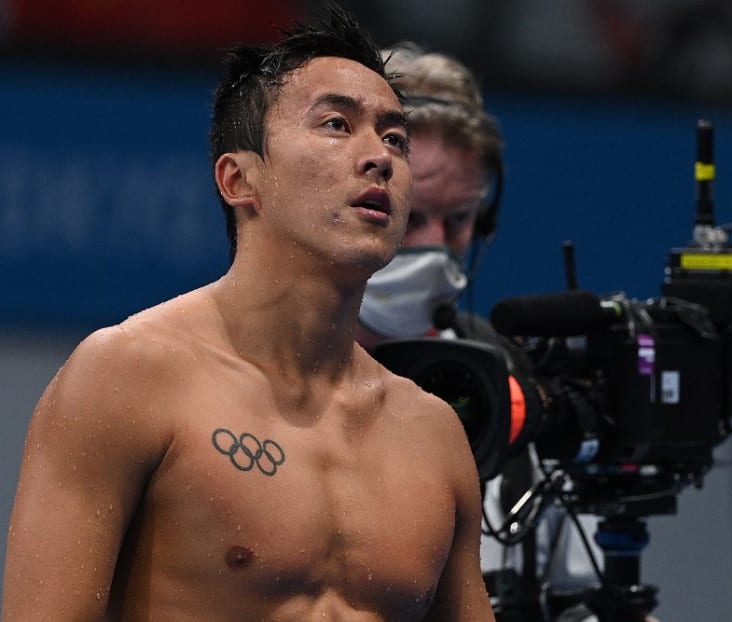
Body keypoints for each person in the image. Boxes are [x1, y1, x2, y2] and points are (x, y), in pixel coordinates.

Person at [1, 6, 495, 621]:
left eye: (394, 137)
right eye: (337, 124)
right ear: (239, 180)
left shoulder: (434, 435)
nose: (380, 157)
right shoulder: (128, 375)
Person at [354, 44, 611, 622]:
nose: (437, 246)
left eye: (461, 219)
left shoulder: (521, 387)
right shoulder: (243, 372)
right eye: (414, 215)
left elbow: (578, 601)